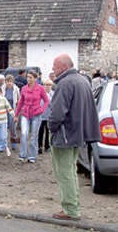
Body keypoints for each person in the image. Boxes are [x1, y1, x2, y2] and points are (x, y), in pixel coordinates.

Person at [49, 54, 100, 221]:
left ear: (63, 67)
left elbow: (57, 114)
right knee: (71, 171)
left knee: (65, 173)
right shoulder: (82, 80)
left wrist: (52, 128)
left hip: (64, 135)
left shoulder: (65, 84)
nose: (53, 70)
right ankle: (73, 205)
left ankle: (70, 209)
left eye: (55, 67)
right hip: (77, 134)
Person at [13, 70, 49, 163]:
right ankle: (22, 155)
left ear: (35, 79)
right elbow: (21, 102)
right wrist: (16, 114)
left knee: (33, 135)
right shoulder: (24, 88)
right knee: (24, 134)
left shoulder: (40, 88)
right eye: (27, 77)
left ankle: (32, 156)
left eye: (30, 77)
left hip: (36, 114)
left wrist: (42, 109)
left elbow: (46, 101)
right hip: (25, 113)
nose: (28, 79)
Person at [1, 75, 20, 150]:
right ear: (5, 82)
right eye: (7, 81)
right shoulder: (2, 88)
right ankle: (3, 145)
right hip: (4, 110)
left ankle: (14, 143)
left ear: (13, 82)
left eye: (10, 81)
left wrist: (17, 112)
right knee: (4, 128)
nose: (9, 83)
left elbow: (19, 100)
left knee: (13, 128)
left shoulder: (16, 89)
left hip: (12, 111)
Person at [38, 79, 54, 154]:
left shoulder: (53, 93)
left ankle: (47, 146)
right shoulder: (41, 94)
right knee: (40, 131)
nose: (48, 86)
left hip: (49, 116)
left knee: (48, 132)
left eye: (49, 85)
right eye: (46, 85)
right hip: (41, 116)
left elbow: (53, 104)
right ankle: (39, 146)